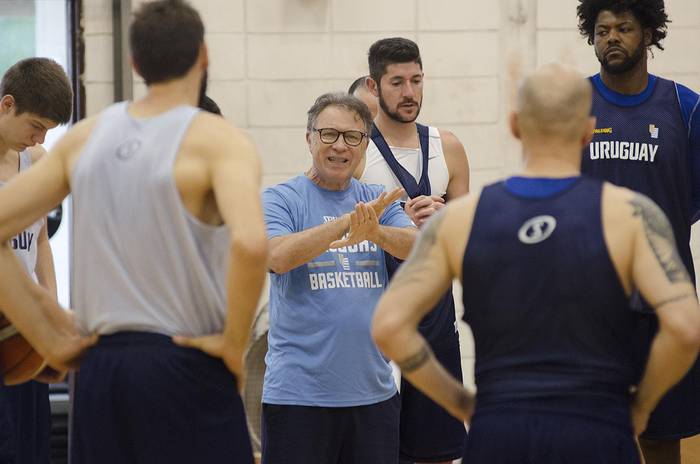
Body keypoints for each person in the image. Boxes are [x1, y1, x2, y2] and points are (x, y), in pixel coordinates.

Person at [372, 64, 700, 464]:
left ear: (514, 126)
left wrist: (459, 402)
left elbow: (389, 326)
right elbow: (685, 329)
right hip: (599, 425)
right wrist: (641, 406)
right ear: (587, 131)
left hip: (501, 429)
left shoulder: (460, 219)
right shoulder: (632, 215)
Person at [0, 1, 268, 463]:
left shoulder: (86, 137)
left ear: (134, 62)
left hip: (99, 367)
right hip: (185, 359)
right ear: (203, 57)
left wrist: (43, 327)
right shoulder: (220, 140)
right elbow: (250, 244)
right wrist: (232, 343)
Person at [261, 92, 417, 464]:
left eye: (353, 137)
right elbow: (278, 257)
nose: (340, 147)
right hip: (298, 399)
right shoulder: (281, 198)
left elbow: (418, 247)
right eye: (329, 134)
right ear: (309, 138)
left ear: (364, 145)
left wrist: (376, 233)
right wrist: (349, 223)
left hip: (374, 398)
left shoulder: (376, 198)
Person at [576, 1, 700, 462]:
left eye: (624, 28)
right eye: (602, 29)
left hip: (664, 303)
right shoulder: (573, 106)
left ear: (648, 34)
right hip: (590, 304)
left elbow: (689, 199)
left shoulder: (685, 108)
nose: (612, 38)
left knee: (661, 437)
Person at [357, 37, 469, 464]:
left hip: (434, 313)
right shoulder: (356, 149)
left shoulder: (449, 146)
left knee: (436, 451)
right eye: (397, 82)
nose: (409, 92)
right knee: (374, 448)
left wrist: (444, 218)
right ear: (374, 85)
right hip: (373, 308)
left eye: (416, 80)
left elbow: (467, 244)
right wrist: (396, 219)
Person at [0, 57, 72, 464]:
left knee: (32, 448)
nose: (38, 138)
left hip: (26, 332)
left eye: (46, 131)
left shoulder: (37, 163)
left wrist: (51, 306)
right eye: (36, 126)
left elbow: (41, 241)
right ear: (6, 104)